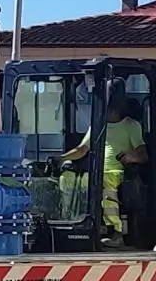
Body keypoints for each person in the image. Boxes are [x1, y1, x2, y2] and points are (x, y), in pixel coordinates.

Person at [60, 78, 146, 247]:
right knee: (67, 178)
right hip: (96, 173)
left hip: (117, 174)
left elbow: (143, 155)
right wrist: (60, 159)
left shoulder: (131, 126)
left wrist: (132, 156)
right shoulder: (98, 126)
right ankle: (69, 221)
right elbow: (82, 150)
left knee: (104, 183)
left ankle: (116, 232)